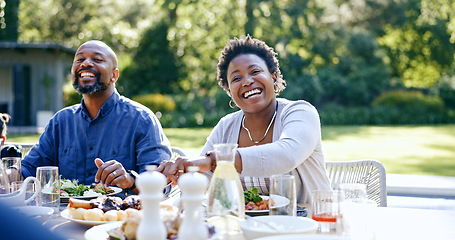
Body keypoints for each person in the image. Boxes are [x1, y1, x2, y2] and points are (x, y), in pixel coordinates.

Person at [157, 35, 331, 203]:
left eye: (255, 71)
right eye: (236, 78)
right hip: (246, 229)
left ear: (274, 77)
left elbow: (287, 155)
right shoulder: (226, 127)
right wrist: (185, 176)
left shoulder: (300, 112)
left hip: (310, 225)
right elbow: (206, 183)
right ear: (230, 92)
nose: (247, 82)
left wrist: (214, 160)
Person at [20, 40, 172, 194]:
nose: (85, 63)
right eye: (79, 59)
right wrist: (8, 172)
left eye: (97, 60)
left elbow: (161, 185)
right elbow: (28, 169)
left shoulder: (142, 119)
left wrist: (129, 180)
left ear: (114, 75)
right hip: (63, 214)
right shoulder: (61, 121)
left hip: (120, 216)